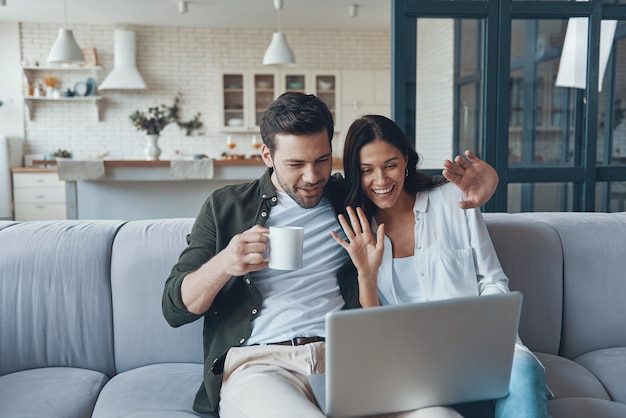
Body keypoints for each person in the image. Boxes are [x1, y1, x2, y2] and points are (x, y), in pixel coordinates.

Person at [162, 93, 500, 418]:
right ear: (267, 156)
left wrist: (478, 185)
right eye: (295, 164)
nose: (312, 177)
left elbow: (397, 182)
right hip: (263, 365)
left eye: (322, 160)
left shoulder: (347, 196)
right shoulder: (226, 207)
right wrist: (225, 263)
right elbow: (175, 308)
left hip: (350, 361)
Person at [330, 114, 550, 418]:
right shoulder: (358, 229)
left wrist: (483, 327)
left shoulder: (452, 201)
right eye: (367, 170)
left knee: (523, 370)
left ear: (406, 159)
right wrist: (366, 276)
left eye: (390, 165)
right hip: (410, 366)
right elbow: (375, 329)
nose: (380, 181)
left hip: (478, 350)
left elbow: (492, 279)